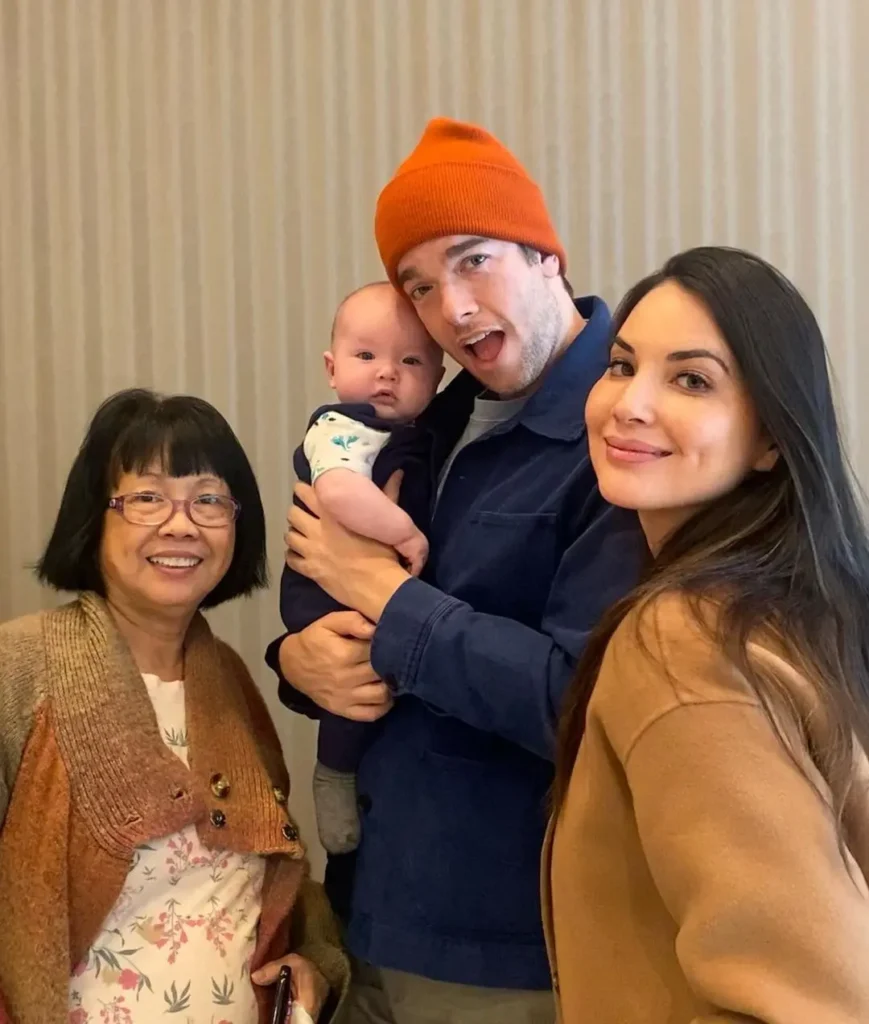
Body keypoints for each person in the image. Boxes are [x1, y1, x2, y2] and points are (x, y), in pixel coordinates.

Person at [267, 117, 644, 1021]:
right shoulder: (424, 420)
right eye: (421, 285)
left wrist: (387, 601)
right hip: (370, 902)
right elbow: (328, 596)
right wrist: (298, 661)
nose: (454, 308)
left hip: (507, 939)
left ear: (545, 256)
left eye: (474, 260)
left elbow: (588, 702)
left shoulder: (625, 432)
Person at [546, 246, 869, 1023]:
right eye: (621, 365)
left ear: (768, 438)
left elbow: (803, 998)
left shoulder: (680, 642)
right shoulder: (786, 608)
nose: (629, 403)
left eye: (690, 379)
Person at [0, 389, 348, 1024]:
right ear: (94, 517)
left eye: (209, 500)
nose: (182, 524)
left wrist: (313, 961)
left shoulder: (229, 678)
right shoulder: (20, 666)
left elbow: (269, 873)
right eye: (147, 498)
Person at [280, 282, 444, 856]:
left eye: (411, 361)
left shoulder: (418, 435)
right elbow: (342, 492)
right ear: (332, 367)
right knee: (357, 674)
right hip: (323, 590)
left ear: (438, 376)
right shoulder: (341, 427)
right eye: (367, 356)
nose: (387, 374)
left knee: (375, 679)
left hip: (375, 591)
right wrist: (403, 532)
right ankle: (334, 773)